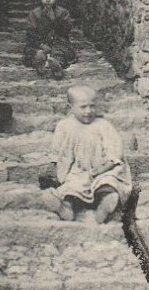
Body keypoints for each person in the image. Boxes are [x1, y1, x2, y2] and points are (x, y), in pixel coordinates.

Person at [41, 86, 132, 223]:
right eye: (83, 107)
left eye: (92, 106)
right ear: (70, 107)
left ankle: (105, 205)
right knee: (73, 187)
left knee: (108, 182)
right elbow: (58, 152)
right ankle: (67, 208)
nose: (88, 111)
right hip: (78, 171)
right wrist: (59, 170)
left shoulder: (103, 125)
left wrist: (102, 168)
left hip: (104, 169)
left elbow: (114, 152)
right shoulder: (64, 126)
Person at [24, 0, 76, 79]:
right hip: (40, 42)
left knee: (60, 52)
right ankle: (39, 62)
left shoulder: (62, 12)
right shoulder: (35, 13)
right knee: (33, 51)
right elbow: (31, 32)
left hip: (58, 41)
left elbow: (66, 30)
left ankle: (56, 65)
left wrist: (54, 19)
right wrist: (41, 45)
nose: (48, 0)